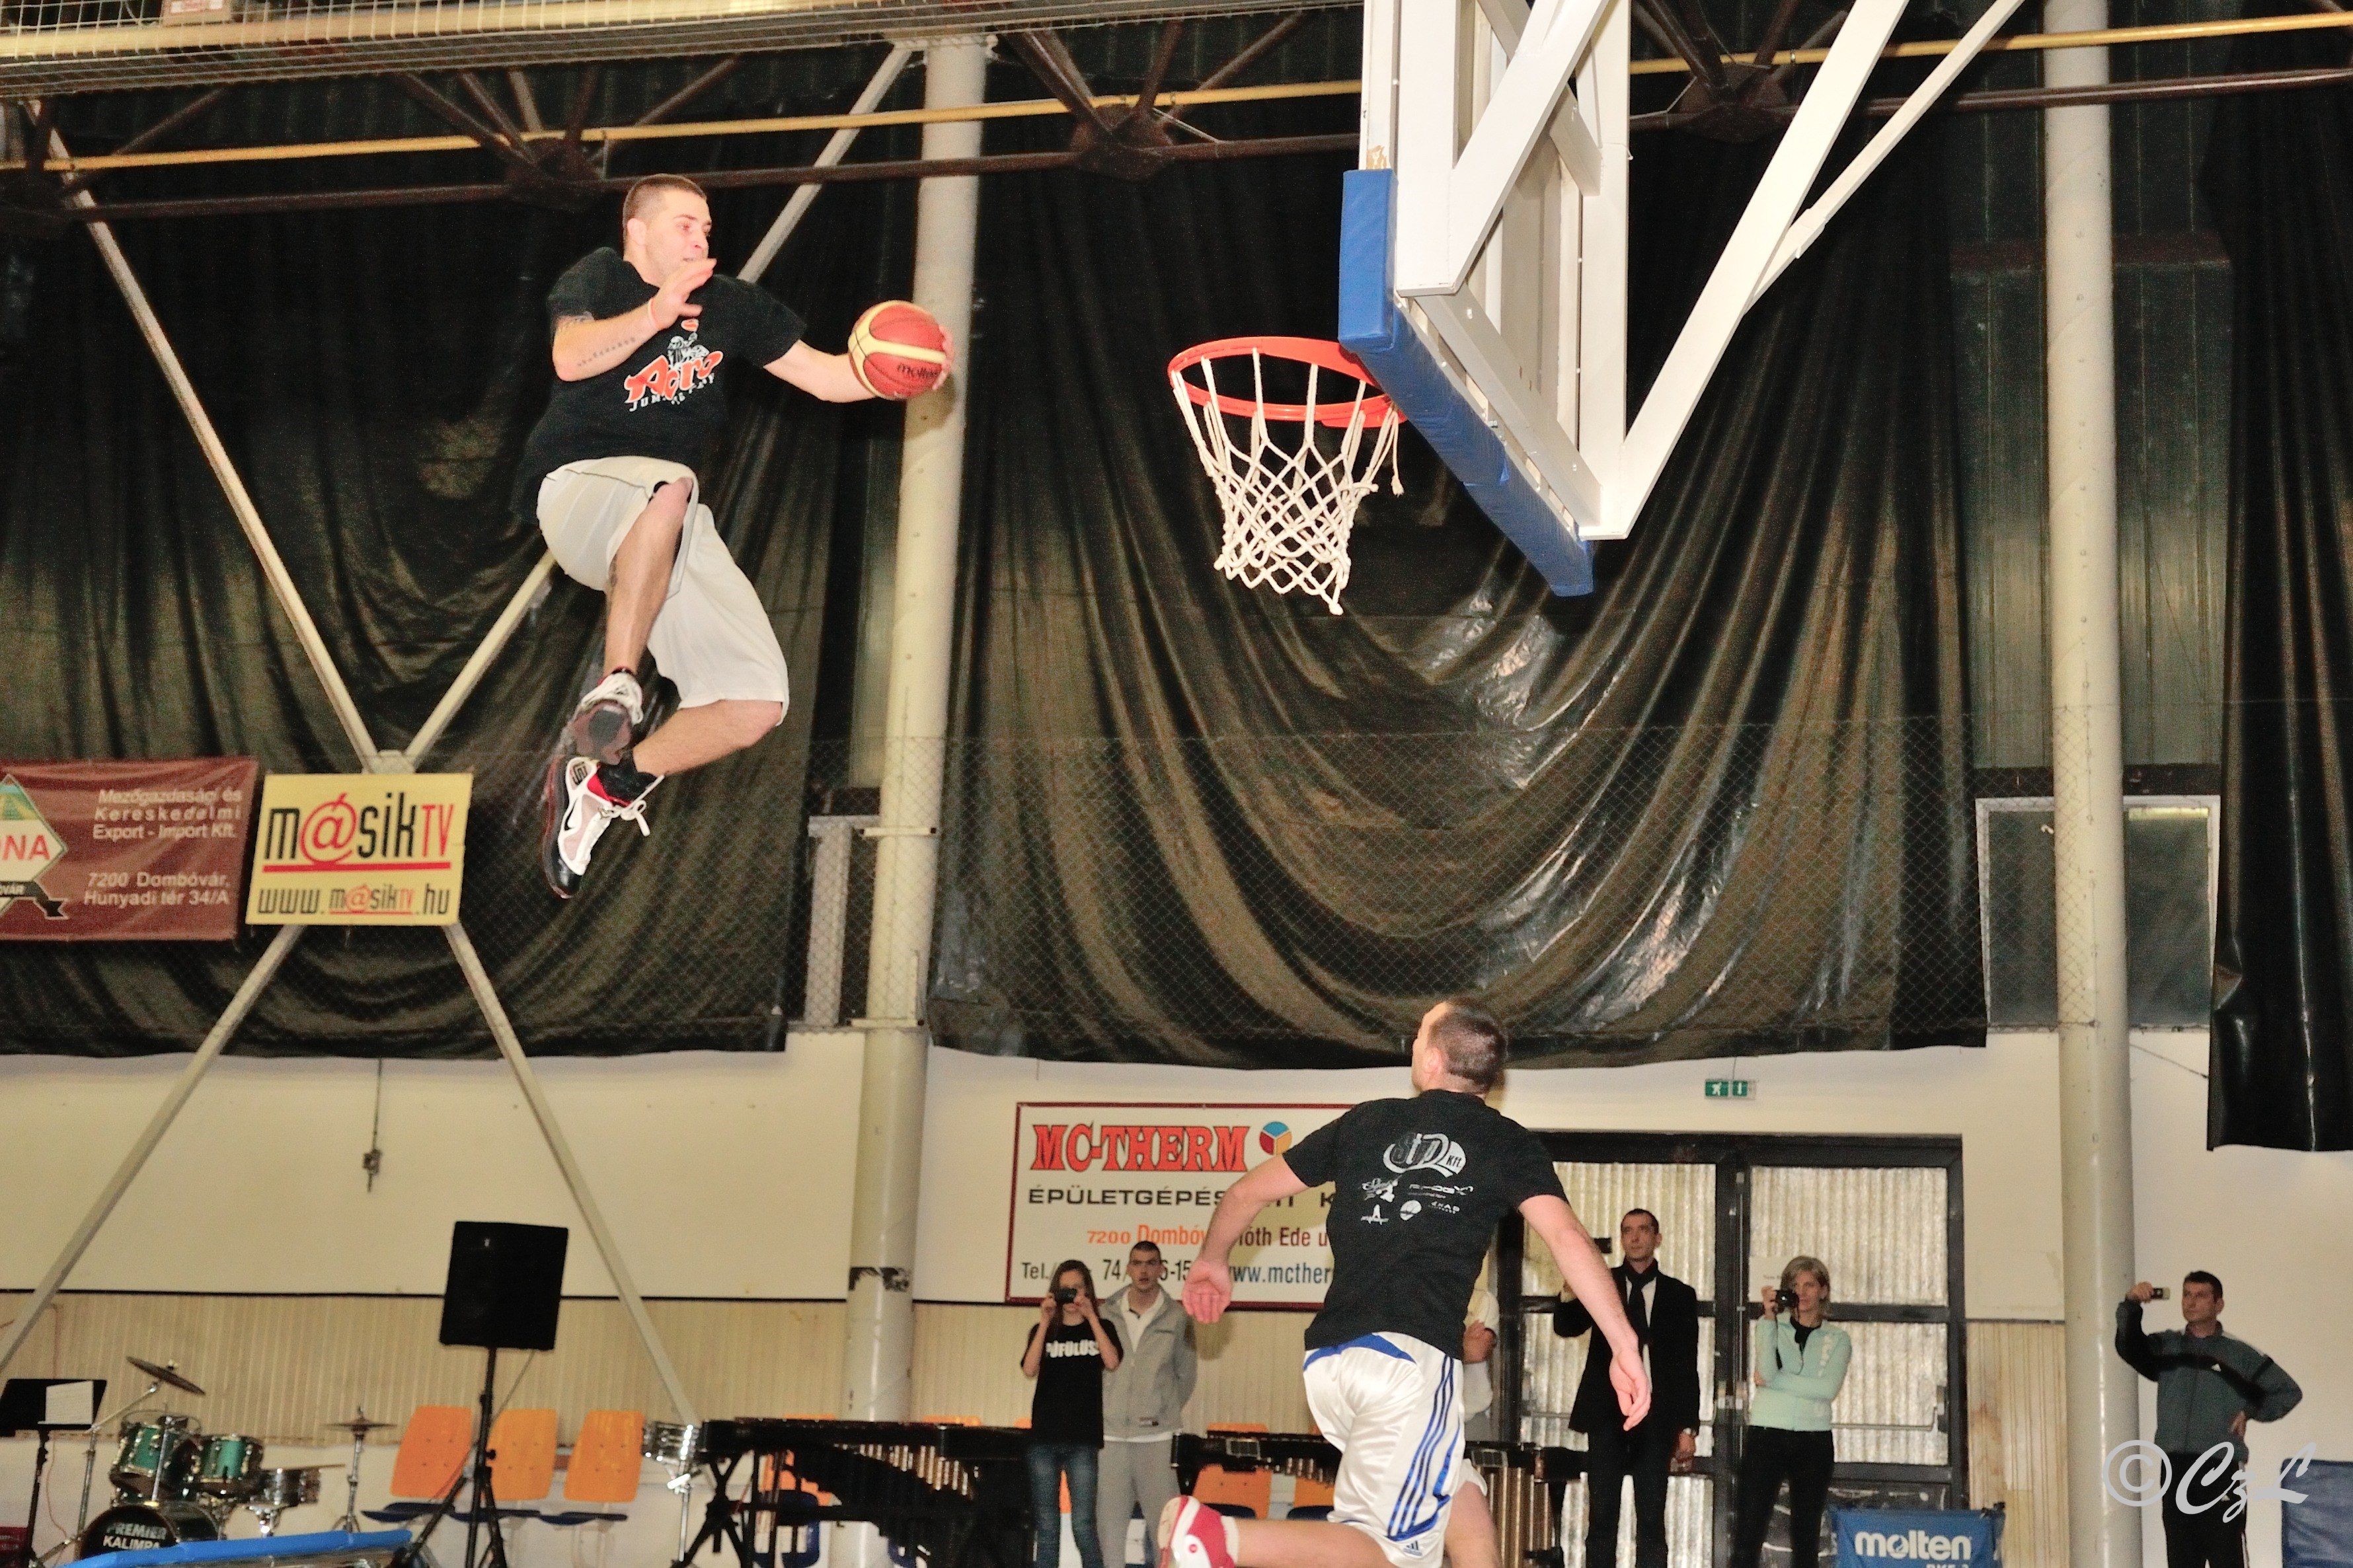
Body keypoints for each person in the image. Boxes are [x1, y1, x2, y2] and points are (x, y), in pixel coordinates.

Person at [516, 173, 932, 897]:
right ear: (637, 231)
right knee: (669, 485)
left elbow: (829, 378)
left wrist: (899, 373)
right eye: (684, 224)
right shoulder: (602, 277)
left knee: (755, 701)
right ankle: (617, 686)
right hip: (579, 489)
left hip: (665, 520)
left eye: (706, 228)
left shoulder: (730, 304)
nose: (700, 238)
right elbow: (569, 357)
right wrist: (654, 313)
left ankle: (608, 784)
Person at [1166, 1000, 1650, 1568]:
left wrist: (1213, 1260)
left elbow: (1246, 1192)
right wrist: (1624, 1343)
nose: (1413, 1045)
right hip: (1407, 1366)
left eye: (1419, 1036)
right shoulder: (1507, 1142)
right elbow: (1568, 1238)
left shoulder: (1366, 1121)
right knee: (1384, 1551)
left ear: (1433, 1060)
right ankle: (1220, 1537)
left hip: (1332, 1364)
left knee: (1462, 1497)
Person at [2116, 1271, 2302, 1568]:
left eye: (2200, 1296)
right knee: (2181, 1559)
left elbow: (2288, 1392)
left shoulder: (2239, 1354)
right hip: (2175, 1467)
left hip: (2220, 1469)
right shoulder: (2167, 1346)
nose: (2191, 1302)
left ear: (2219, 1304)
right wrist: (2131, 1304)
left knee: (2226, 1557)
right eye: (2186, 1295)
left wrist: (2250, 1411)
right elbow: (2129, 1347)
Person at [1552, 1209, 1702, 1568]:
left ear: (1657, 1238)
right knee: (1602, 1516)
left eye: (1643, 1230)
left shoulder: (1680, 1294)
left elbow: (1687, 1364)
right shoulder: (1601, 1282)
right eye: (1627, 1231)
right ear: (1621, 1239)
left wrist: (1688, 1427)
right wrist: (1570, 1288)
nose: (1634, 1237)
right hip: (1607, 1413)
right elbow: (1567, 1327)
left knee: (1651, 1519)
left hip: (1657, 1416)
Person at [1728, 1257, 1849, 1568]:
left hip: (1814, 1439)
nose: (1802, 1292)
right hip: (1766, 1434)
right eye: (1794, 1286)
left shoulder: (1838, 1339)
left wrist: (1775, 1382)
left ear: (1823, 1290)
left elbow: (1827, 1389)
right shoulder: (1770, 1326)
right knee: (1748, 1534)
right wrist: (1769, 1318)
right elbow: (1767, 1370)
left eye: (1810, 1285)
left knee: (1806, 1539)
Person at [1099, 1241, 1199, 1567]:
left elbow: (1186, 1375)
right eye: (1138, 1263)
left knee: (1164, 1534)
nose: (1144, 1270)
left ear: (1162, 1269)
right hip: (1111, 1438)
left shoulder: (1179, 1317)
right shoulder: (1105, 1313)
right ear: (1128, 1269)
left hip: (1157, 1440)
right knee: (1109, 1534)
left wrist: (1160, 1409)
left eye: (1151, 1263)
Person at [1024, 1259, 1125, 1568]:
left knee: (1083, 1525)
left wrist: (1091, 1316)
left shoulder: (1103, 1328)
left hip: (1083, 1440)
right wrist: (1045, 1321)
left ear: (1088, 1291)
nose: (1070, 1296)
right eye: (1064, 1289)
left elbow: (1112, 1361)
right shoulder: (1044, 1330)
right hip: (1045, 1438)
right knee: (1047, 1527)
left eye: (1077, 1289)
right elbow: (1029, 1368)